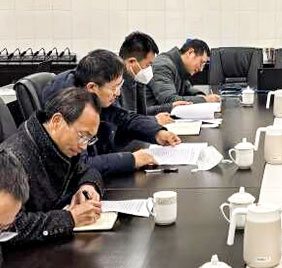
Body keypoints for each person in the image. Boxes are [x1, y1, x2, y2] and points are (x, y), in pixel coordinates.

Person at [43, 50, 181, 177]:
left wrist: (157, 133)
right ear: (92, 87)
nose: (118, 93)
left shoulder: (90, 93)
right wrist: (132, 160)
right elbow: (79, 165)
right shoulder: (68, 108)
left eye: (120, 86)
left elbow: (123, 117)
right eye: (114, 88)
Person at [0, 87, 106, 244]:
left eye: (89, 139)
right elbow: (9, 229)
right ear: (57, 121)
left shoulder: (58, 144)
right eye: (82, 136)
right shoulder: (14, 160)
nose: (84, 146)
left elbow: (86, 169)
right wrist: (70, 219)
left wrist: (88, 186)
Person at [118, 31, 190, 126]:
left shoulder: (135, 80)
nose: (150, 69)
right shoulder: (115, 84)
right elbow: (125, 121)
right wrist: (154, 120)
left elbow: (141, 113)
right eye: (148, 65)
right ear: (132, 62)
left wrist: (170, 107)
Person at [147, 39, 220, 106]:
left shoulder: (180, 66)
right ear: (190, 53)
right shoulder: (163, 65)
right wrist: (204, 100)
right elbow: (169, 100)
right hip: (151, 115)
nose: (201, 69)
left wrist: (199, 95)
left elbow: (187, 89)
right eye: (201, 62)